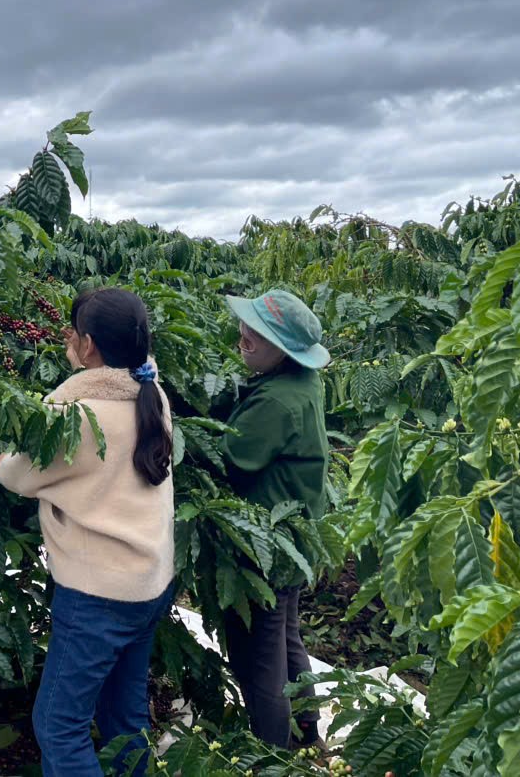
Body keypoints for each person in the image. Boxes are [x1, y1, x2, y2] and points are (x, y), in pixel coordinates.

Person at [0, 287, 176, 777]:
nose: (65, 336)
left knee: (58, 725)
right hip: (148, 584)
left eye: (71, 329)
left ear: (87, 347)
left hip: (97, 596)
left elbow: (27, 475)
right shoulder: (152, 394)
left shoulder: (79, 416)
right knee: (124, 719)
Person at [219, 288, 331, 750]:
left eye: (251, 339)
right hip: (294, 540)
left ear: (281, 352)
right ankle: (308, 735)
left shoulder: (275, 404)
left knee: (258, 656)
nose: (241, 341)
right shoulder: (300, 384)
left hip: (267, 543)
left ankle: (272, 754)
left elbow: (230, 458)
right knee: (286, 638)